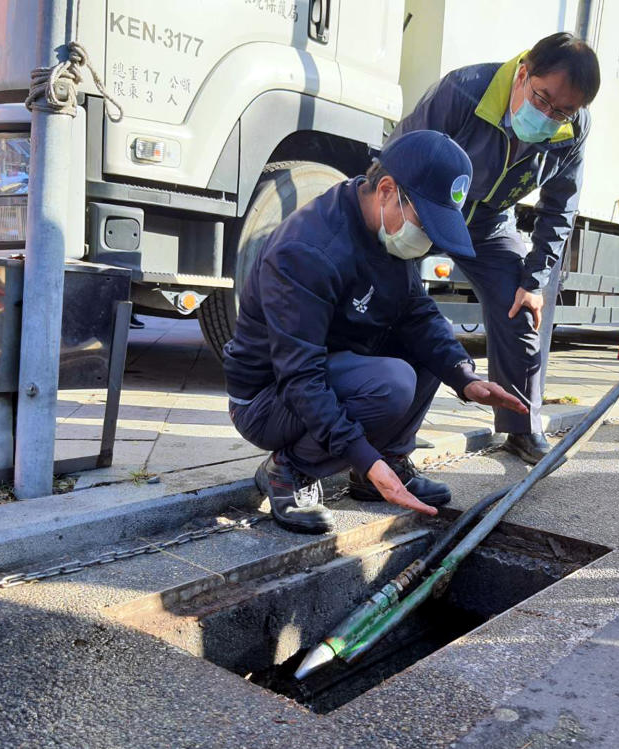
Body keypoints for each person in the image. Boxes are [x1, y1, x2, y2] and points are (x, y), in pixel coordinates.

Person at [222, 130, 527, 534]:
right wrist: (363, 455)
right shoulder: (308, 251)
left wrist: (463, 376)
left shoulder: (384, 229)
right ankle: (290, 469)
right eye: (425, 223)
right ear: (387, 190)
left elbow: (418, 313)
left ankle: (388, 463)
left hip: (327, 370)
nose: (429, 239)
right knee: (392, 382)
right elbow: (300, 375)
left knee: (429, 348)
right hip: (267, 398)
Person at [389, 32, 600, 465]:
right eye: (542, 100)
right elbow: (401, 154)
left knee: (518, 307)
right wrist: (386, 228)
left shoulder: (573, 128)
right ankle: (387, 442)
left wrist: (534, 279)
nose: (549, 115)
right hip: (429, 205)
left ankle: (521, 428)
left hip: (490, 220)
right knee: (400, 313)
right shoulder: (464, 90)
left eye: (563, 110)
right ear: (524, 73)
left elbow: (560, 206)